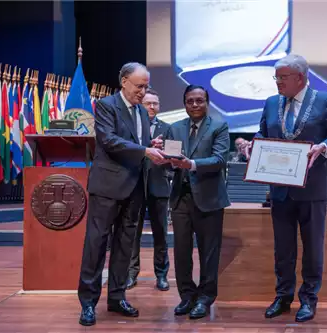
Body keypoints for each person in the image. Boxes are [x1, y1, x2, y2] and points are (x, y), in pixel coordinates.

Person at [250, 54, 327, 322]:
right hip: (280, 188)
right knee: (283, 249)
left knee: (312, 247)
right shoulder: (271, 103)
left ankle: (308, 299)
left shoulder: (324, 100)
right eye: (276, 77)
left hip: (312, 188)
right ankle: (283, 297)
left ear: (300, 78)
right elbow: (262, 132)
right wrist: (254, 144)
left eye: (282, 77)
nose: (277, 82)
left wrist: (324, 146)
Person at [77, 63, 166, 326]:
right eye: (139, 86)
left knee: (125, 246)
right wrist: (145, 151)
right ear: (124, 81)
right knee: (96, 246)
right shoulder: (106, 105)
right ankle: (88, 304)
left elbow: (137, 144)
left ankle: (117, 297)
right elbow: (109, 140)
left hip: (134, 188)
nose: (143, 92)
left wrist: (151, 146)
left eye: (146, 86)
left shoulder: (141, 111)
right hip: (107, 188)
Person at [166, 85, 230, 319]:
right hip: (181, 197)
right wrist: (163, 158)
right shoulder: (174, 128)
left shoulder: (219, 126)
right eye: (190, 101)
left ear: (207, 102)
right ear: (184, 103)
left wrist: (191, 164)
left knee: (209, 253)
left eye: (199, 101)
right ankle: (187, 296)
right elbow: (170, 159)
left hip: (209, 198)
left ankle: (205, 298)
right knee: (181, 252)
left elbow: (220, 159)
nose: (195, 105)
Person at [127, 89, 171, 291]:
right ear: (140, 105)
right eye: (148, 103)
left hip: (159, 186)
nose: (152, 107)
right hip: (134, 185)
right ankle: (130, 273)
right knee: (132, 233)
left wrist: (165, 154)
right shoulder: (133, 127)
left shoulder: (168, 128)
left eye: (155, 103)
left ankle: (161, 275)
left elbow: (174, 159)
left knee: (160, 233)